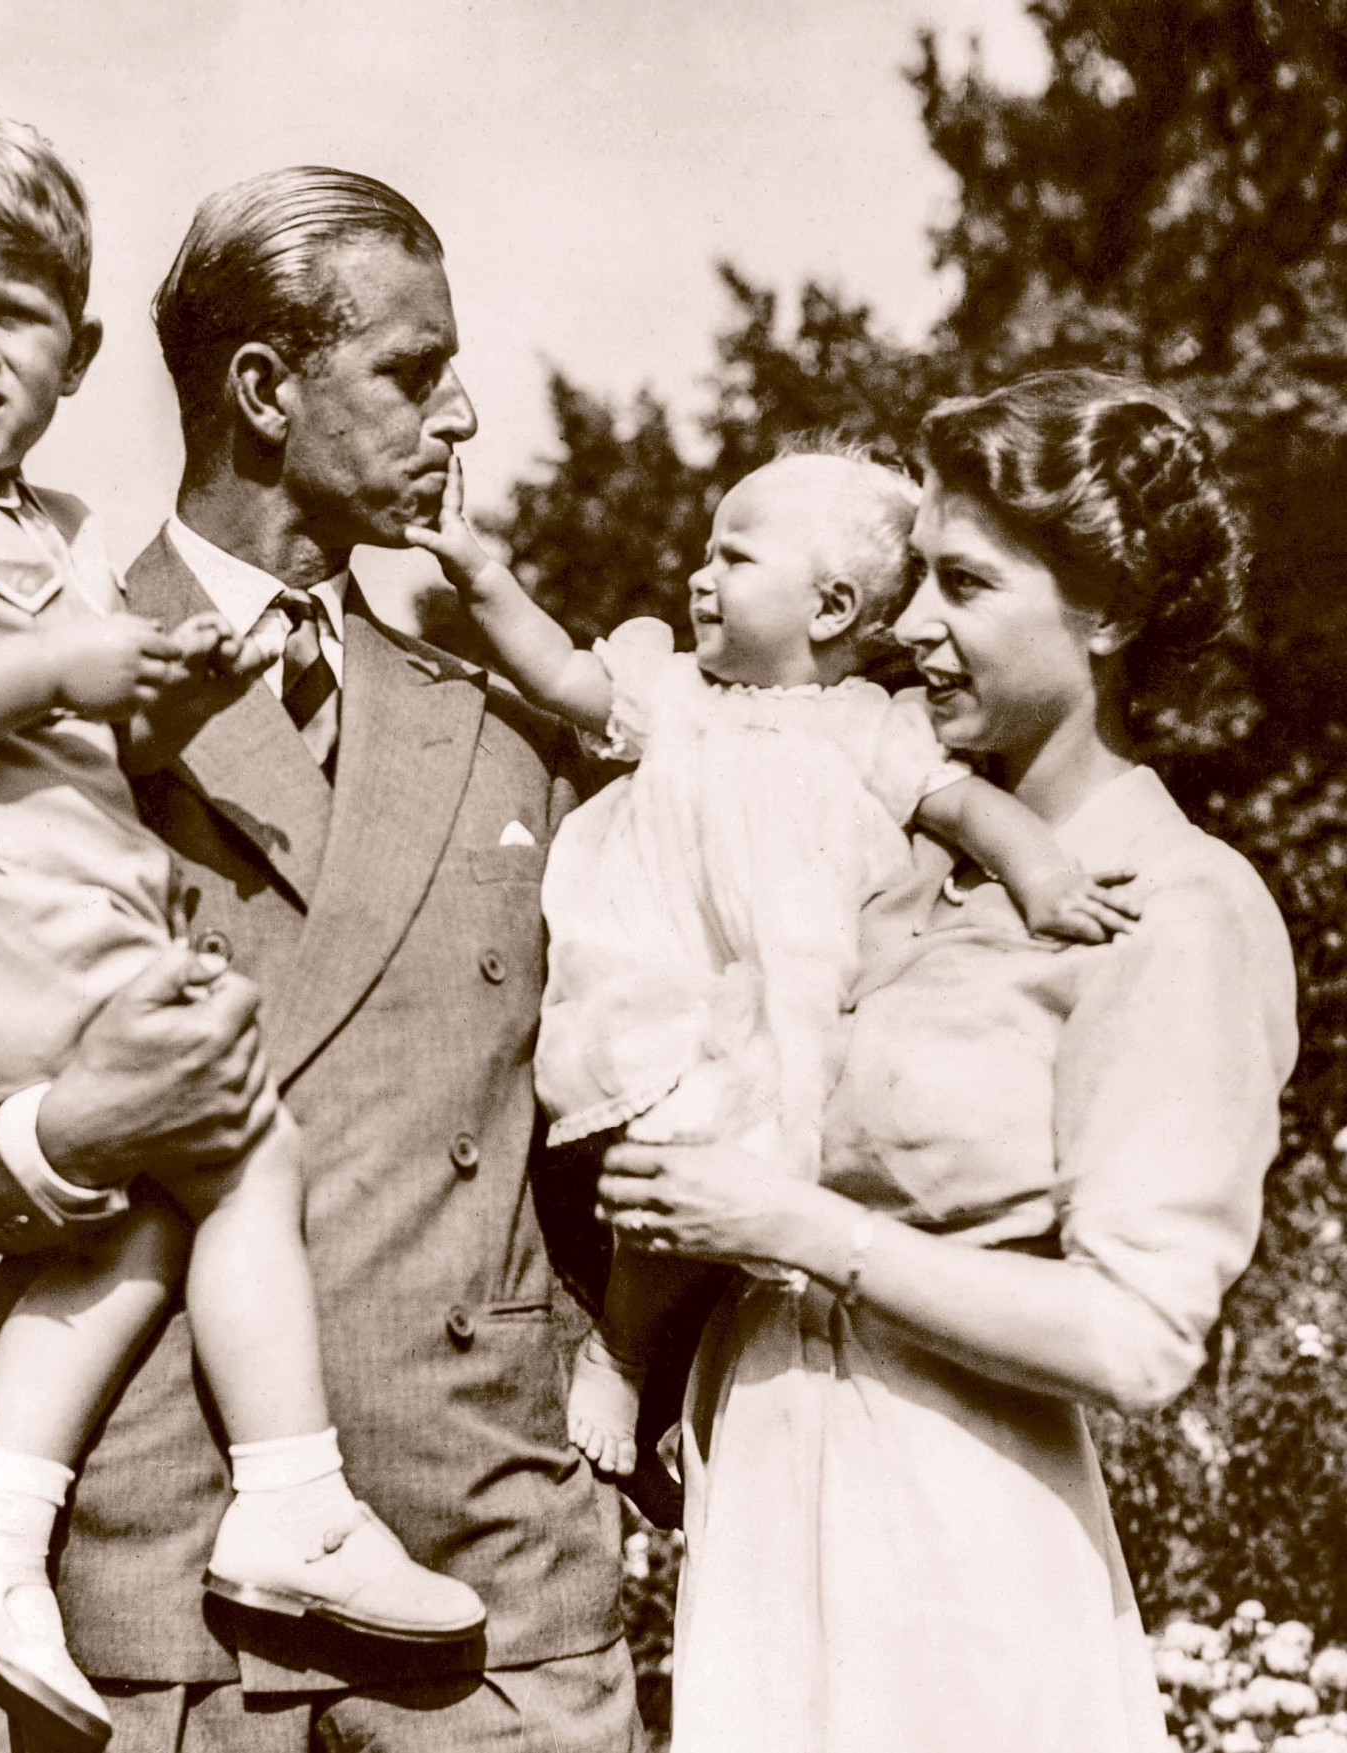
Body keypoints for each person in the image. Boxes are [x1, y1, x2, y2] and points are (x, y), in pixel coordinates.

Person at [0, 165, 636, 1753]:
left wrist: (618, 1365)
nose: (463, 414)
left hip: (491, 1581)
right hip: (162, 1591)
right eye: (415, 369)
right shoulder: (14, 687)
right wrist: (68, 1135)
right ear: (266, 392)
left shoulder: (503, 728)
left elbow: (626, 1093)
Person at [594, 370, 1298, 1752]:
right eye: (913, 576)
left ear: (1107, 612)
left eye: (964, 584)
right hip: (767, 1526)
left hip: (959, 1561)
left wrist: (797, 1227)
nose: (911, 623)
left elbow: (1136, 1335)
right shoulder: (876, 857)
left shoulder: (1175, 905)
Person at [407, 443, 1135, 1477]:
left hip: (786, 1008)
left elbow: (969, 808)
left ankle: (667, 1384)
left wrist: (1044, 874)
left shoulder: (872, 729)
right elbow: (560, 671)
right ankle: (621, 1351)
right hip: (661, 987)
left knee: (742, 1181)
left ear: (830, 607)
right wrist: (477, 570)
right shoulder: (673, 692)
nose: (699, 576)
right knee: (667, 1167)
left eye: (734, 558)